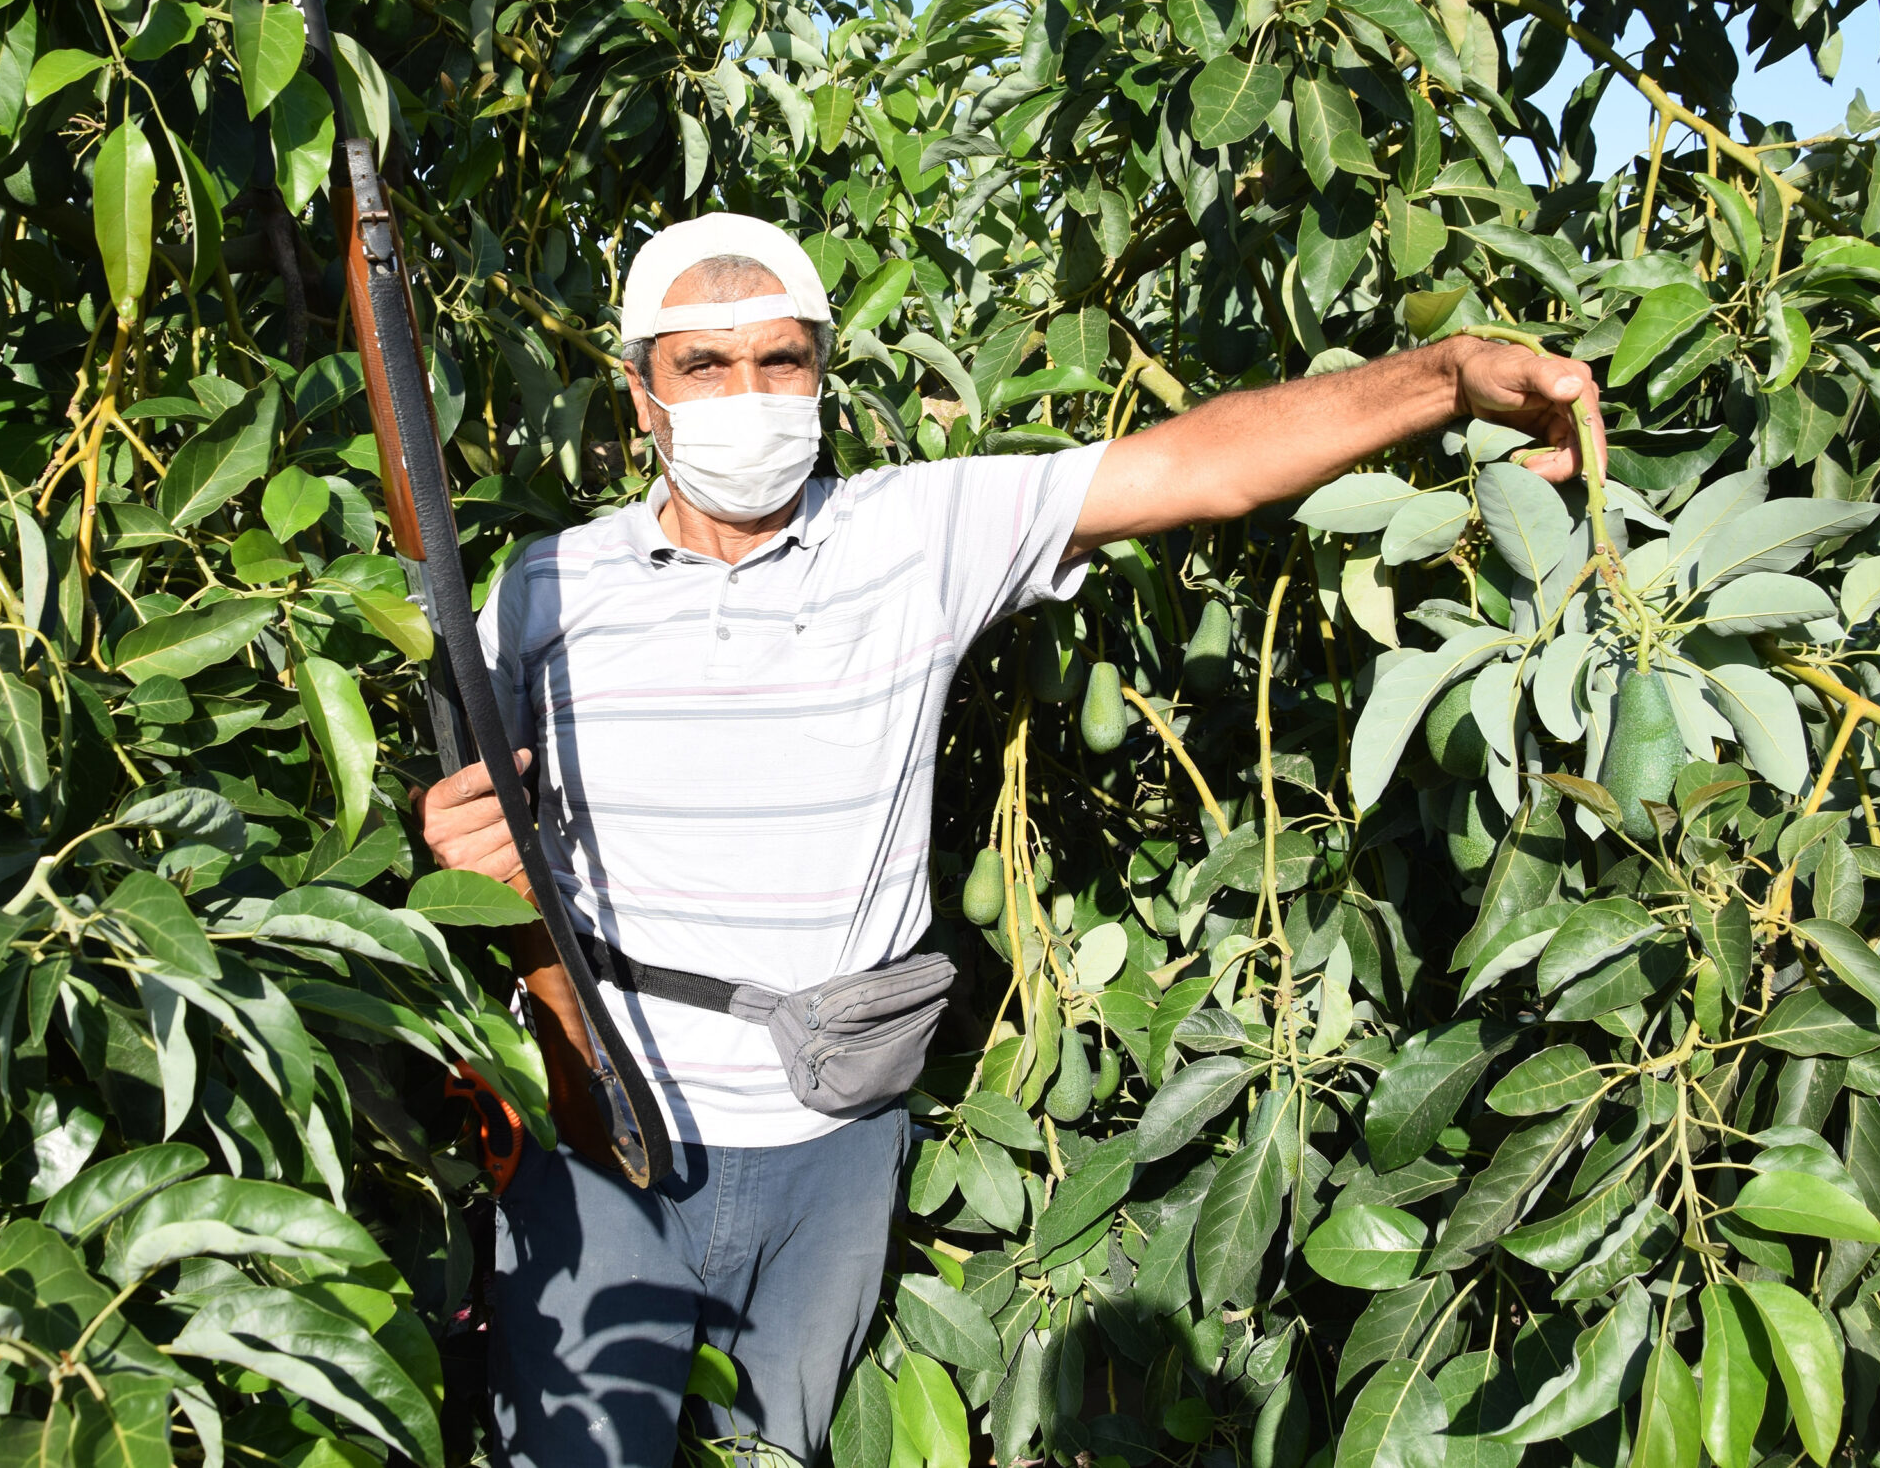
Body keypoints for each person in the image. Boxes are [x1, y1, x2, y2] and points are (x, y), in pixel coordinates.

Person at [420, 212, 1603, 1466]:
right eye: (705, 368)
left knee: (774, 1448)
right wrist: (456, 857)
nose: (748, 396)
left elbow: (1195, 464)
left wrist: (1448, 375)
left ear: (823, 373)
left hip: (833, 1140)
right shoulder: (543, 590)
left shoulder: (915, 532)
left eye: (782, 361)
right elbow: (478, 836)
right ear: (641, 395)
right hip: (601, 1128)